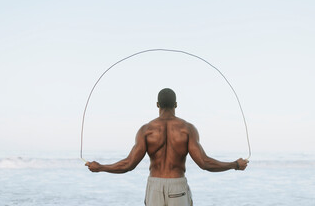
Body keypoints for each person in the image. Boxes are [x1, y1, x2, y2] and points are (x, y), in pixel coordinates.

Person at [85, 88, 248, 206]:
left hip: (154, 186)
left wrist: (101, 167)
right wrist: (234, 165)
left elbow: (128, 164)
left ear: (157, 104)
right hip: (177, 184)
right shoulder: (187, 129)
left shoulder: (146, 130)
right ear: (176, 104)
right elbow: (204, 163)